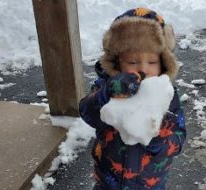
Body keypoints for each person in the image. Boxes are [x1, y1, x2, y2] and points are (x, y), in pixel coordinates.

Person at [79, 8, 186, 190]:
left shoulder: (168, 97)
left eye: (151, 62)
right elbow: (87, 112)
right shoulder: (108, 87)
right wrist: (107, 93)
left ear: (163, 63)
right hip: (108, 180)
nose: (142, 69)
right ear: (118, 62)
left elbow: (179, 137)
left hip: (149, 184)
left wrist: (159, 140)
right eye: (132, 62)